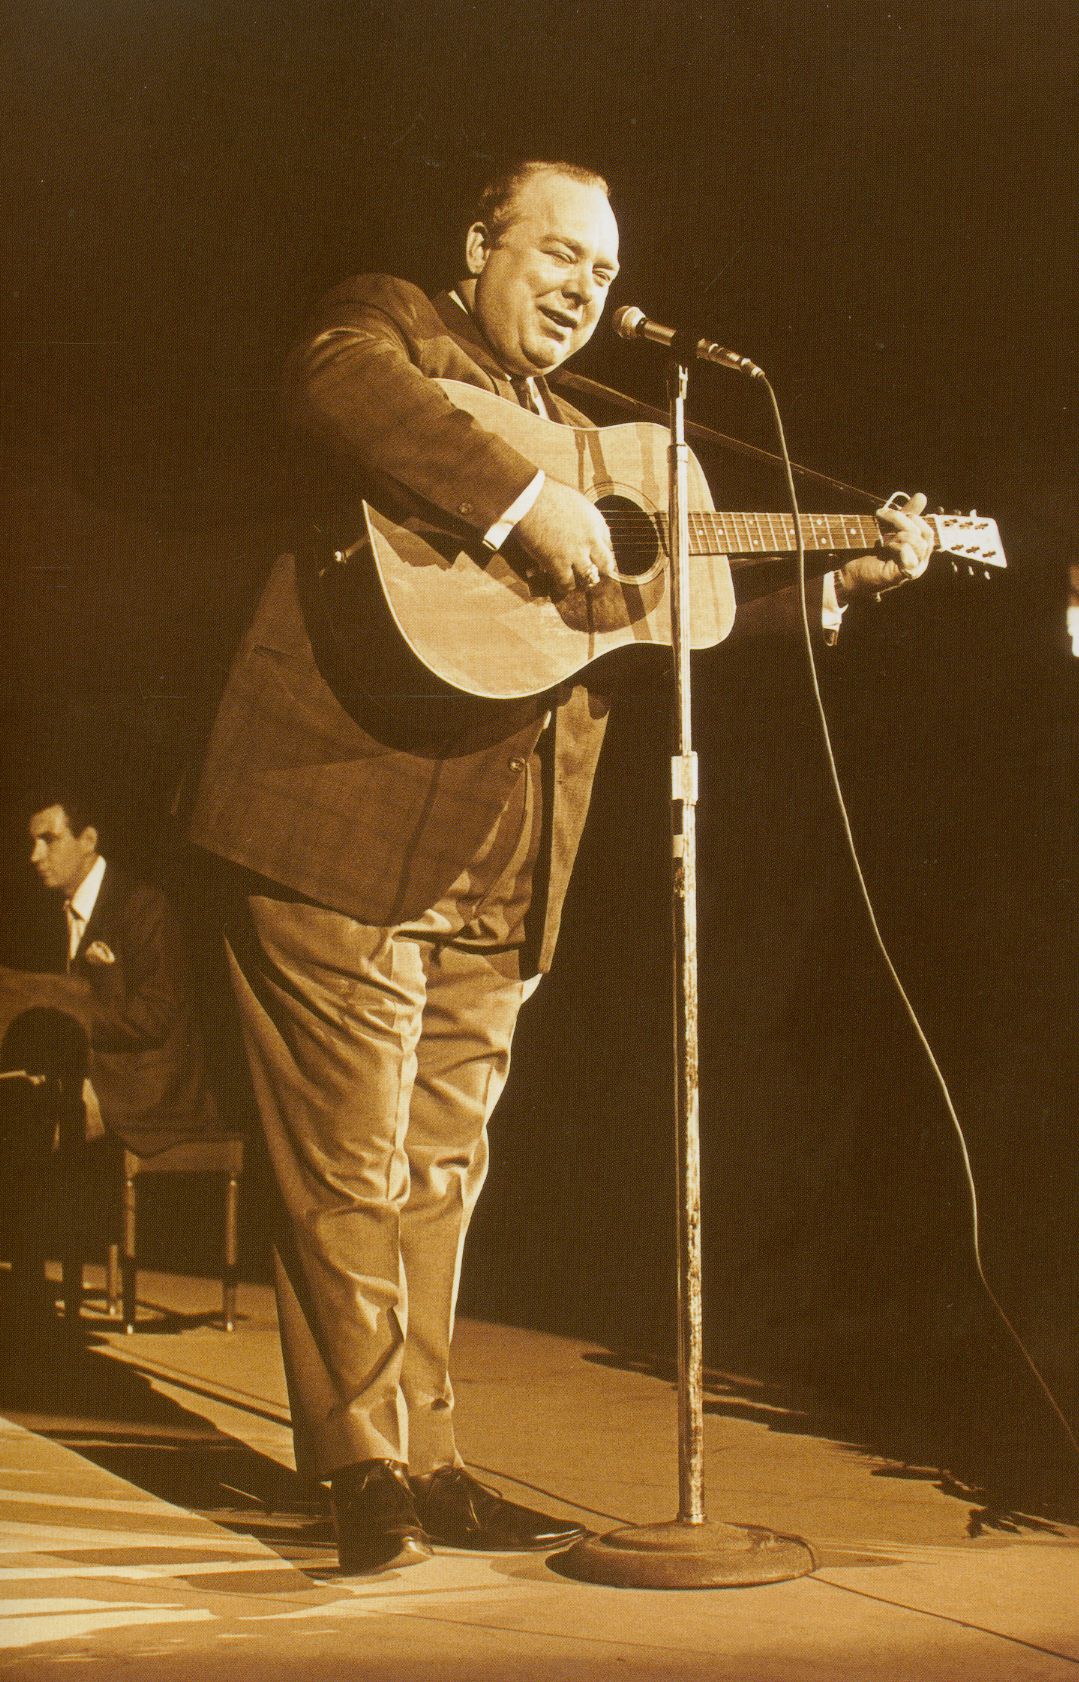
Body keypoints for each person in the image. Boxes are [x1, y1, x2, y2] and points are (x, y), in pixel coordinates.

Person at [190, 159, 933, 1574]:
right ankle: (360, 1472)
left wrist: (838, 580)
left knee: (437, 1171)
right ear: (480, 243)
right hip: (334, 815)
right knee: (347, 1167)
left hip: (503, 862)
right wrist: (521, 500)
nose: (583, 289)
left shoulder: (597, 438)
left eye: (603, 273)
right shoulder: (396, 325)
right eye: (557, 254)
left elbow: (670, 609)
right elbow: (332, 378)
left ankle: (429, 1458)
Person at [1, 789, 220, 1155]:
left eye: (49, 840)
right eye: (33, 842)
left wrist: (60, 1011)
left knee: (25, 1127)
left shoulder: (143, 906)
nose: (35, 855)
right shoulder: (50, 913)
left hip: (144, 1089)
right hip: (86, 1074)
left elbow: (155, 1016)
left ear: (88, 840)